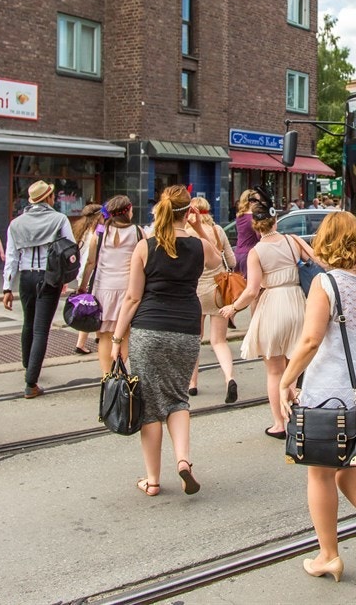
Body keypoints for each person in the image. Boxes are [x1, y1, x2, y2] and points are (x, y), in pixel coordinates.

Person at [279, 211, 356, 583]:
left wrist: (287, 378)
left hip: (331, 391)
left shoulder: (325, 284)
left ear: (325, 241)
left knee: (319, 471)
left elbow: (311, 340)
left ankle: (328, 555)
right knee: (347, 464)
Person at [111, 185, 222, 497]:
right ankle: (184, 460)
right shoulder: (199, 246)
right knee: (177, 398)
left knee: (148, 406)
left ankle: (152, 479)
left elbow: (132, 298)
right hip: (187, 329)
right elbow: (219, 261)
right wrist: (199, 225)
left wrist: (118, 337)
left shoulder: (146, 247)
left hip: (149, 329)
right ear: (187, 212)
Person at [219, 189, 317, 439]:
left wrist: (234, 307)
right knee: (295, 366)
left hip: (272, 305)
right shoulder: (294, 240)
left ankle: (279, 424)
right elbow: (319, 262)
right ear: (275, 221)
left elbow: (252, 290)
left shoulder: (256, 252)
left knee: (275, 371)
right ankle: (301, 415)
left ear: (255, 226)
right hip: (298, 304)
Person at [1, 180, 73, 398]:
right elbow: (70, 248)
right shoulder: (59, 219)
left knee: (28, 323)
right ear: (48, 198)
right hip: (48, 276)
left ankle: (28, 365)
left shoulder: (16, 224)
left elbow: (11, 257)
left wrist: (6, 287)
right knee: (41, 329)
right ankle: (31, 383)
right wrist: (66, 277)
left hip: (26, 277)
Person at [77, 195, 141, 377]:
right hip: (129, 289)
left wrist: (82, 286)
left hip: (103, 289)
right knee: (125, 332)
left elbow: (90, 263)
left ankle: (107, 375)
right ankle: (118, 370)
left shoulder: (99, 233)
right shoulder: (138, 232)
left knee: (104, 335)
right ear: (128, 210)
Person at [185, 196, 238, 402]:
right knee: (219, 341)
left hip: (194, 290)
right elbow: (231, 261)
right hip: (218, 290)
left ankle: (192, 383)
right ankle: (229, 378)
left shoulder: (187, 233)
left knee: (194, 339)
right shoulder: (218, 231)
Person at [68, 203, 104, 355]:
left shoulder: (81, 231)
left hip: (81, 273)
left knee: (94, 305)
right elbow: (92, 259)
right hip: (90, 274)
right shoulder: (95, 234)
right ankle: (80, 343)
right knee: (90, 308)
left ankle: (98, 336)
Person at [232, 189, 261, 276]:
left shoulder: (239, 216)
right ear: (251, 202)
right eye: (258, 201)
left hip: (237, 254)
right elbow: (259, 237)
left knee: (239, 285)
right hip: (249, 255)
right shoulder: (253, 217)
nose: (260, 204)